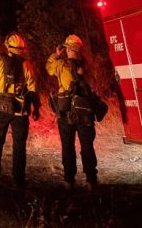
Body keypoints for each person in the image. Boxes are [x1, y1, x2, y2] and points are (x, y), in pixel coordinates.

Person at [0, 32, 39, 188]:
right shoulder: (26, 64)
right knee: (19, 145)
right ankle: (18, 180)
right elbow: (32, 87)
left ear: (8, 46)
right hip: (20, 111)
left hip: (1, 108)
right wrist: (36, 107)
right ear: (21, 49)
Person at [47, 34, 98, 190]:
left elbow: (49, 67)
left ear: (68, 49)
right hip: (85, 114)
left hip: (66, 113)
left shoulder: (61, 65)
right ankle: (91, 180)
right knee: (87, 146)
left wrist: (56, 54)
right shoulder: (88, 67)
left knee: (68, 147)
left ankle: (69, 180)